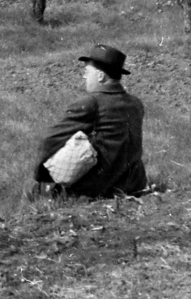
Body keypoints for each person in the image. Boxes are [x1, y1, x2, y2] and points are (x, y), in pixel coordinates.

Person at [34, 44, 147, 199]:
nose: (84, 77)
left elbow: (50, 140)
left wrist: (43, 175)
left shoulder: (91, 103)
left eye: (87, 72)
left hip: (99, 189)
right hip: (133, 185)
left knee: (36, 189)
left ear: (101, 76)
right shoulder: (136, 104)